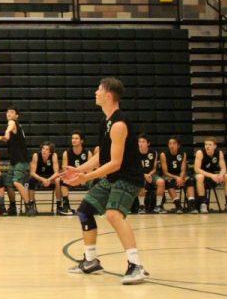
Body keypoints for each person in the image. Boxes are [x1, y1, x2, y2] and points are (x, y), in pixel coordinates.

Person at [61, 78, 149, 285]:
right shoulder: (105, 121)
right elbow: (102, 156)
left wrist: (86, 177)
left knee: (113, 214)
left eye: (99, 90)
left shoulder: (119, 124)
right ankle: (90, 261)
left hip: (128, 178)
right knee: (85, 210)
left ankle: (136, 265)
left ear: (108, 95)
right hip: (113, 178)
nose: (95, 92)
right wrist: (79, 170)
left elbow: (116, 163)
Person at [0, 107, 29, 216]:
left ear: (16, 116)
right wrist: (1, 138)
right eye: (8, 111)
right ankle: (13, 206)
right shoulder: (15, 126)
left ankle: (29, 205)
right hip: (14, 161)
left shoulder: (12, 122)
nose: (9, 113)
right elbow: (7, 137)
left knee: (16, 182)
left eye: (12, 112)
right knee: (8, 183)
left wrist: (6, 131)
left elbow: (9, 129)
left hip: (21, 160)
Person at [194, 138, 227, 213]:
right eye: (206, 144)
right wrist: (212, 175)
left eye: (210, 145)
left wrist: (221, 175)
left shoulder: (219, 153)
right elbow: (197, 169)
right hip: (201, 175)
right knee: (200, 176)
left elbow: (224, 168)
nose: (207, 146)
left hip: (213, 176)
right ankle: (203, 204)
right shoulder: (200, 152)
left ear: (215, 146)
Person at [160, 137, 195, 213]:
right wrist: (177, 178)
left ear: (178, 145)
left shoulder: (183, 154)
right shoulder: (164, 154)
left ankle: (191, 205)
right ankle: (178, 205)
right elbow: (165, 172)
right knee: (168, 182)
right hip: (169, 175)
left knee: (190, 180)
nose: (172, 145)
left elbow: (183, 169)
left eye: (174, 143)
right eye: (170, 143)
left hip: (180, 175)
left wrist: (181, 177)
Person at [60, 131, 90, 215]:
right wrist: (73, 177)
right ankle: (66, 206)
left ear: (81, 141)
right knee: (62, 180)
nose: (74, 140)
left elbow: (90, 170)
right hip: (71, 177)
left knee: (94, 180)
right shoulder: (66, 153)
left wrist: (84, 177)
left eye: (76, 138)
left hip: (84, 177)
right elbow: (65, 169)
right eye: (72, 138)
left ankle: (91, 206)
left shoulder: (87, 152)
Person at [27, 142, 61, 216]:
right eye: (43, 148)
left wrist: (48, 180)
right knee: (31, 180)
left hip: (50, 177)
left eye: (46, 149)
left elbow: (57, 172)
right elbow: (32, 173)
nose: (44, 151)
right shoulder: (36, 156)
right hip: (38, 177)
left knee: (58, 180)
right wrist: (43, 179)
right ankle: (31, 205)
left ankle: (59, 205)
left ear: (50, 152)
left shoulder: (54, 156)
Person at [137, 134, 165, 214]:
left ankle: (158, 206)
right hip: (139, 175)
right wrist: (144, 175)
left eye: (143, 142)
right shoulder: (135, 153)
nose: (141, 144)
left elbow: (154, 168)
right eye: (139, 142)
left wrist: (149, 174)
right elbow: (134, 169)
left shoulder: (154, 153)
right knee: (141, 182)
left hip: (151, 174)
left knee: (161, 182)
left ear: (148, 143)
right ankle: (141, 206)